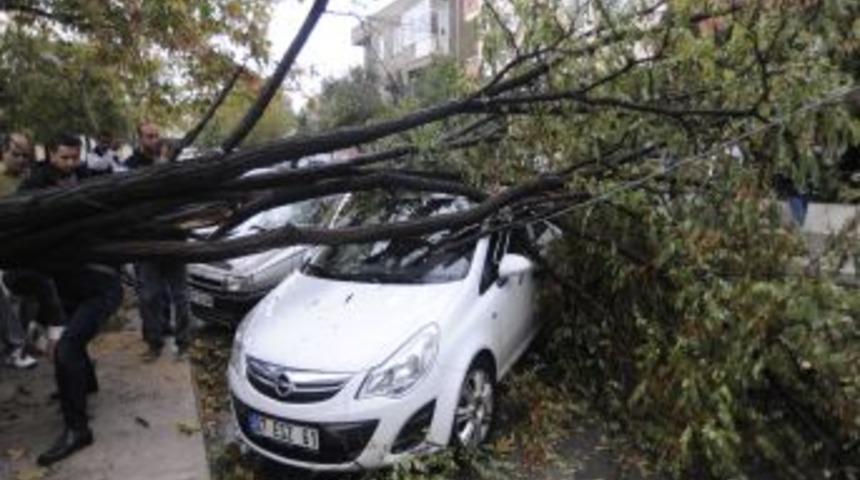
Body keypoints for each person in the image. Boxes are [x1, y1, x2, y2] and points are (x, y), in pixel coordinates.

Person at [18, 133, 123, 466]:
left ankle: (78, 430)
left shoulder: (91, 180)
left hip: (101, 284)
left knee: (67, 349)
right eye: (64, 157)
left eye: (75, 157)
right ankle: (85, 385)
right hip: (66, 287)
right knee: (71, 347)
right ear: (50, 154)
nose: (70, 163)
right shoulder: (34, 187)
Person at [125, 122, 191, 361]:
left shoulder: (173, 166)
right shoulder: (131, 166)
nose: (154, 140)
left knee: (181, 296)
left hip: (174, 241)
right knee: (149, 297)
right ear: (140, 138)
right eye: (149, 136)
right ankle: (154, 343)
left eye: (157, 136)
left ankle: (183, 344)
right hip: (147, 243)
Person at [0, 132, 38, 369]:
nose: (21, 160)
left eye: (26, 155)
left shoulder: (30, 179)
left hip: (22, 247)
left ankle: (21, 341)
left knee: (32, 292)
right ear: (3, 152)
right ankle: (15, 346)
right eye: (16, 154)